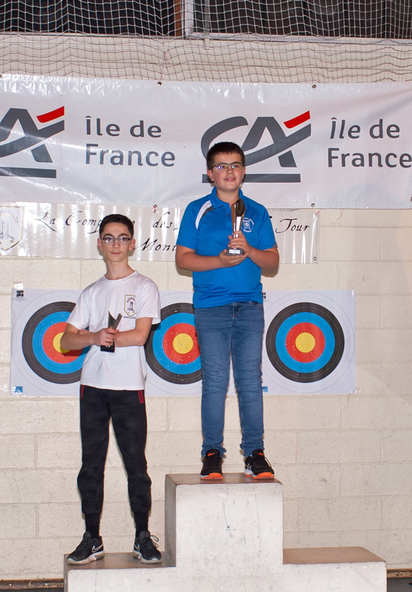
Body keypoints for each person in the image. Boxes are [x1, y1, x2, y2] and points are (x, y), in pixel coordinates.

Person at [61, 214, 163, 564]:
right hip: (92, 387)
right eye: (109, 237)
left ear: (132, 244)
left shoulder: (145, 287)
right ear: (100, 244)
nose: (116, 244)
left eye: (122, 238)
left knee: (136, 466)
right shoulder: (91, 292)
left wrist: (109, 338)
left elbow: (140, 335)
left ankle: (142, 536)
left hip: (128, 387)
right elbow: (66, 340)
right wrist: (93, 337)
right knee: (91, 465)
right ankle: (92, 537)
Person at [175, 142, 280, 481]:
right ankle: (212, 453)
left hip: (249, 306)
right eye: (221, 166)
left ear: (244, 171)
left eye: (235, 165)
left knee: (250, 381)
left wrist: (249, 250)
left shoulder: (257, 212)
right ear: (210, 174)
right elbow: (183, 259)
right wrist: (219, 261)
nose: (229, 171)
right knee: (216, 381)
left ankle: (254, 453)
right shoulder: (197, 210)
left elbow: (272, 262)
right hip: (211, 306)